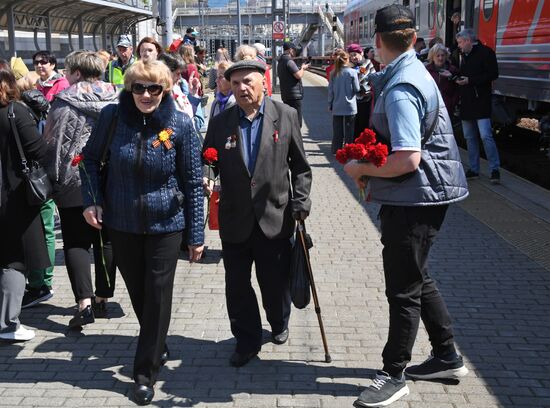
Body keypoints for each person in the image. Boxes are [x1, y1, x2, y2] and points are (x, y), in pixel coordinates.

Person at [343, 5, 469, 407]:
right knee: (418, 276)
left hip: (415, 197)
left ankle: (393, 374)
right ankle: (447, 355)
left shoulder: (401, 89)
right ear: (415, 39)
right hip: (423, 195)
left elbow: (407, 158)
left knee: (402, 289)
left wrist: (357, 167)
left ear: (377, 41)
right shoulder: (411, 74)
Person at [81, 60, 204, 405]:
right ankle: (158, 340)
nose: (146, 95)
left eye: (154, 88)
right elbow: (89, 161)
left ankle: (143, 373)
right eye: (139, 87)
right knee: (140, 293)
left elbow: (194, 183)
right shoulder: (112, 118)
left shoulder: (179, 124)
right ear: (128, 88)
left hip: (167, 225)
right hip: (122, 223)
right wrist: (92, 201)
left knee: (159, 293)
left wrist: (196, 235)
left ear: (165, 90)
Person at [203, 59, 312, 368]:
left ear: (264, 81)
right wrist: (207, 174)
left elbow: (301, 168)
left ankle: (279, 322)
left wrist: (301, 202)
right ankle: (247, 340)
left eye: (248, 81)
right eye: (235, 83)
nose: (242, 88)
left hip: (275, 217)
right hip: (235, 218)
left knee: (274, 282)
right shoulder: (222, 121)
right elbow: (209, 157)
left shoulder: (286, 116)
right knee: (236, 285)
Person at [43, 51, 118, 328]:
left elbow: (52, 142)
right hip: (110, 178)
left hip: (73, 180)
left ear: (75, 72)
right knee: (106, 239)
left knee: (76, 240)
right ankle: (102, 298)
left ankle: (83, 303)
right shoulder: (117, 98)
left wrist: (54, 178)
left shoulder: (63, 102)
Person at [0, 60, 50, 341]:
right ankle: (8, 324)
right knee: (15, 260)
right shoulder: (14, 111)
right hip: (14, 197)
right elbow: (38, 150)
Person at [22, 50, 69, 309]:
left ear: (53, 64)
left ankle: (44, 282)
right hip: (40, 168)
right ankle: (38, 281)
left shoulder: (60, 87)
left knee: (47, 225)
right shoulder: (36, 89)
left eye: (43, 62)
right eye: (36, 63)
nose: (39, 66)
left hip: (47, 168)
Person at [456, 28, 501, 183]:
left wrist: (470, 80)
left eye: (460, 42)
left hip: (481, 101)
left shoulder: (486, 53)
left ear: (468, 41)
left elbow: (493, 74)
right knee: (469, 137)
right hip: (467, 101)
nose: (459, 46)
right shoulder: (463, 55)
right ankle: (474, 169)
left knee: (485, 136)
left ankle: (495, 169)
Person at [328, 50, 360, 153]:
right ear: (347, 60)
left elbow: (330, 91)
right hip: (350, 107)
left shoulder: (333, 73)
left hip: (337, 105)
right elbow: (357, 89)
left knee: (337, 130)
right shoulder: (352, 72)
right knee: (349, 131)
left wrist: (330, 104)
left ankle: (336, 150)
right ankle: (348, 151)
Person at [277, 42, 310, 127]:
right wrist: (303, 68)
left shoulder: (280, 61)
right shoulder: (289, 61)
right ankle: (296, 138)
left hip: (285, 94)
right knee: (297, 121)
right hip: (294, 96)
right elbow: (298, 75)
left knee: (289, 119)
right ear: (291, 50)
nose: (295, 52)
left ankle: (290, 138)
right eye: (294, 50)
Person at [347, 43, 376, 139]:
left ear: (361, 53)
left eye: (355, 55)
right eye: (351, 56)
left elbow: (372, 77)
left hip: (365, 98)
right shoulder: (349, 67)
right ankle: (355, 144)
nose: (353, 57)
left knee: (363, 122)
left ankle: (363, 144)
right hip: (353, 99)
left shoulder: (367, 63)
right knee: (354, 123)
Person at [426, 44, 459, 116]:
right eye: (437, 56)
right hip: (431, 108)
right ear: (432, 57)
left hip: (448, 108)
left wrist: (452, 103)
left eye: (443, 55)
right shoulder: (426, 71)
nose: (440, 58)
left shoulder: (453, 70)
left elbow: (457, 89)